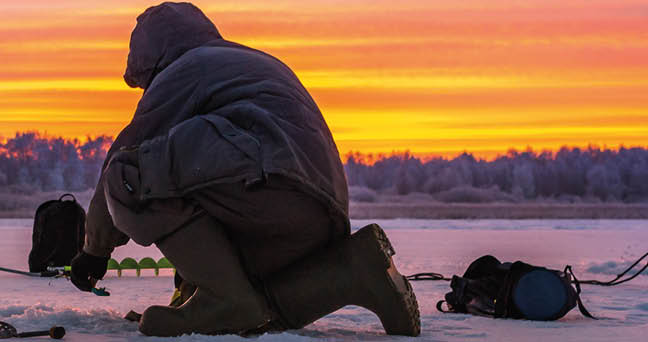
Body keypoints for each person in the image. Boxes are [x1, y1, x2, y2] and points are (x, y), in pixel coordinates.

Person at [68, 2, 421, 337]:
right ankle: (355, 269)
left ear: (151, 59)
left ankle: (224, 299)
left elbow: (119, 166)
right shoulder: (247, 61)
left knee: (130, 175)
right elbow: (205, 189)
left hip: (268, 188)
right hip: (315, 217)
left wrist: (94, 251)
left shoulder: (184, 70)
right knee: (260, 309)